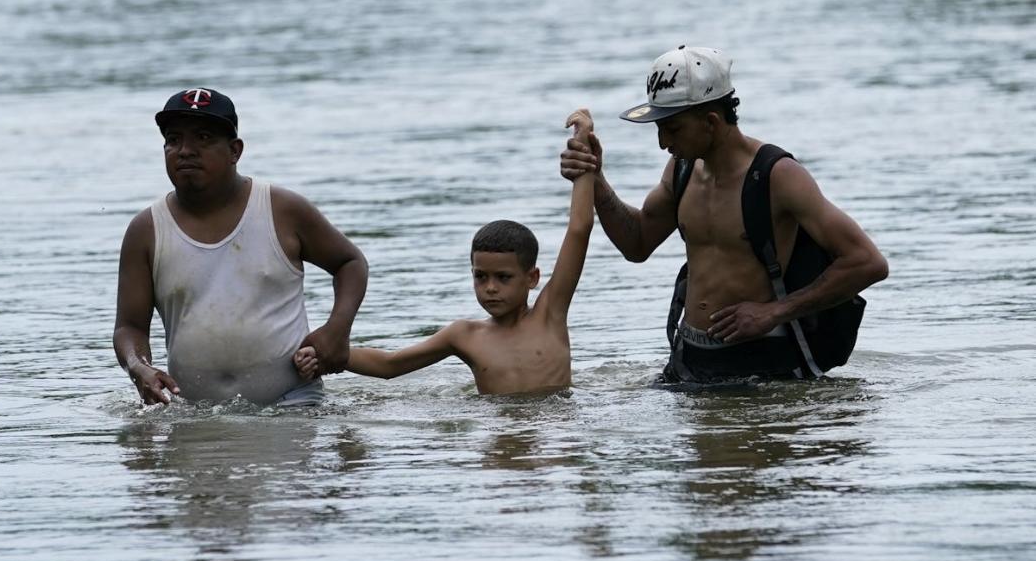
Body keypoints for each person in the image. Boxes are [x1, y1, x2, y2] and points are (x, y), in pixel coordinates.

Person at [560, 46, 888, 383]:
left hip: (762, 364)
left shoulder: (778, 176)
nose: (661, 142)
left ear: (711, 122)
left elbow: (867, 262)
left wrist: (774, 312)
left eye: (672, 128)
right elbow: (637, 243)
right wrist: (596, 180)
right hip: (688, 360)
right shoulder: (682, 168)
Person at [295, 109, 598, 396]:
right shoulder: (464, 336)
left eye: (503, 278)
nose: (490, 288)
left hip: (553, 433)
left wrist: (582, 151)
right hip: (499, 440)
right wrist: (325, 355)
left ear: (532, 278)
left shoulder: (550, 314)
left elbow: (579, 228)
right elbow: (390, 365)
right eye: (481, 277)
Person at [113, 87, 368, 406]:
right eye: (174, 140)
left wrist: (337, 330)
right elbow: (129, 327)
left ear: (235, 150)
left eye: (203, 138)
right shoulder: (146, 230)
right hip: (194, 414)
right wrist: (140, 368)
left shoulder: (282, 210)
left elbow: (350, 263)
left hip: (292, 403)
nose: (185, 151)